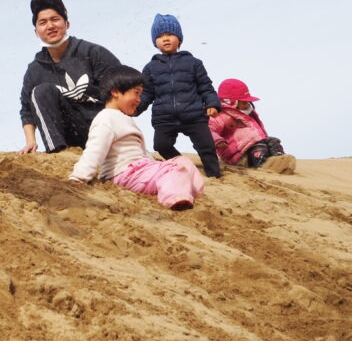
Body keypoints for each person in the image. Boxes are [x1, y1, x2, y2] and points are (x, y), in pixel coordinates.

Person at [69, 65, 204, 210]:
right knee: (172, 169)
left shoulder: (123, 118)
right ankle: (176, 199)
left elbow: (140, 150)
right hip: (125, 173)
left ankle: (192, 192)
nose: (139, 99)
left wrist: (153, 163)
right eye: (136, 93)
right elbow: (95, 150)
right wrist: (79, 177)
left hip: (141, 170)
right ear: (115, 92)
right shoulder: (106, 118)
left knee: (183, 161)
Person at [19, 0, 120, 153]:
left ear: (67, 23)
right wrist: (30, 141)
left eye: (55, 19)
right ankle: (58, 152)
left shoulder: (93, 53)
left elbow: (121, 91)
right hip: (69, 135)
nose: (50, 26)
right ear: (36, 32)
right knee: (40, 91)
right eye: (43, 22)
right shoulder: (34, 70)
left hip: (102, 129)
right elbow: (26, 109)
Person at [134, 14, 223, 178]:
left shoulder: (194, 63)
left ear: (179, 39)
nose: (165, 39)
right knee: (161, 145)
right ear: (155, 42)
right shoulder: (150, 68)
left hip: (194, 115)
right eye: (160, 36)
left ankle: (215, 175)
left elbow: (206, 86)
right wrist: (136, 108)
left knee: (206, 146)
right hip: (164, 118)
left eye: (169, 34)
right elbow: (147, 93)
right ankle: (183, 165)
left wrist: (212, 104)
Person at [209, 78, 295, 172]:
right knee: (260, 149)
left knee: (273, 141)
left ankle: (279, 160)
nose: (247, 105)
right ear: (230, 102)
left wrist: (264, 139)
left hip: (254, 144)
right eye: (244, 102)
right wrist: (217, 140)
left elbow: (259, 131)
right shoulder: (220, 116)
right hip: (238, 154)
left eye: (248, 102)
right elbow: (209, 130)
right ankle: (265, 167)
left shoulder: (248, 114)